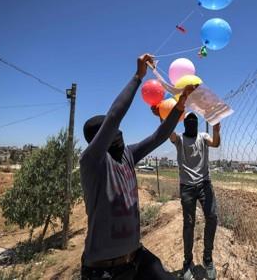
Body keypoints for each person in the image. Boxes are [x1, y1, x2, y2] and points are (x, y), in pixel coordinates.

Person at [79, 53, 196, 280]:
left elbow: (159, 137)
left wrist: (180, 106)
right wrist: (137, 77)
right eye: (111, 131)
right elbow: (114, 117)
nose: (120, 133)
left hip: (137, 259)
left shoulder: (127, 154)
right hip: (104, 270)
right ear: (100, 138)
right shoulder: (91, 161)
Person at [170, 113, 221, 280]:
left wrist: (216, 130)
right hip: (186, 187)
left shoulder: (203, 136)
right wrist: (163, 117)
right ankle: (187, 261)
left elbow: (215, 143)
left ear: (197, 124)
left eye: (194, 122)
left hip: (204, 184)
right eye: (189, 122)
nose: (192, 124)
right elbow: (168, 132)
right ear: (185, 124)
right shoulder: (178, 138)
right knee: (189, 224)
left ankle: (207, 258)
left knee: (212, 217)